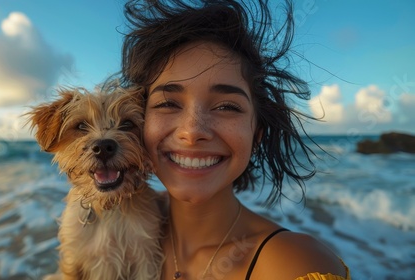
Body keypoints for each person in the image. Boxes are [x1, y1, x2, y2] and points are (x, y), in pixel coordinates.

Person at [120, 0, 351, 279]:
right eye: (168, 103)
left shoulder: (293, 265)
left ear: (256, 135)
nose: (192, 131)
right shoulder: (113, 238)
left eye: (227, 106)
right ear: (138, 124)